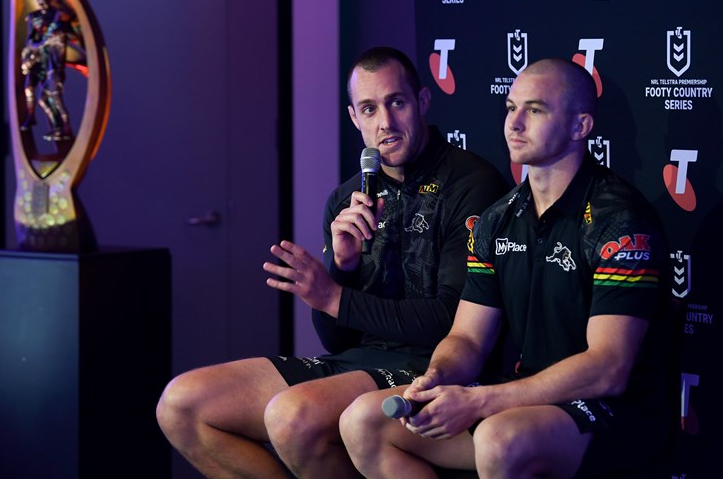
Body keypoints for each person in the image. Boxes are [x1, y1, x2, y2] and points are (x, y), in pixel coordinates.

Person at [155, 46, 509, 478]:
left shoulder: (473, 184)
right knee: (182, 405)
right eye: (369, 108)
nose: (386, 123)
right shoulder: (346, 199)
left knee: (292, 418)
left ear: (422, 102)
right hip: (358, 361)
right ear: (353, 118)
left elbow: (451, 323)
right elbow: (336, 342)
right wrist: (342, 267)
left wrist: (334, 295)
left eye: (396, 103)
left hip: (431, 367)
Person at [339, 58, 675, 479]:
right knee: (364, 422)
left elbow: (609, 367)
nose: (514, 123)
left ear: (580, 126)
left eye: (535, 110)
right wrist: (437, 377)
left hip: (613, 410)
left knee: (499, 438)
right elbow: (466, 337)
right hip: (523, 399)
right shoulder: (497, 219)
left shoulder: (618, 220)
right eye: (510, 108)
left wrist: (482, 401)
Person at [20, 0, 74, 142]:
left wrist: (46, 41)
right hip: (43, 60)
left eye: (45, 1)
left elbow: (60, 31)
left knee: (55, 100)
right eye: (40, 2)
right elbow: (32, 40)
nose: (42, 5)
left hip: (53, 66)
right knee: (37, 94)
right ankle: (50, 125)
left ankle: (64, 129)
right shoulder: (36, 19)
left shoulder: (57, 22)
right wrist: (31, 53)